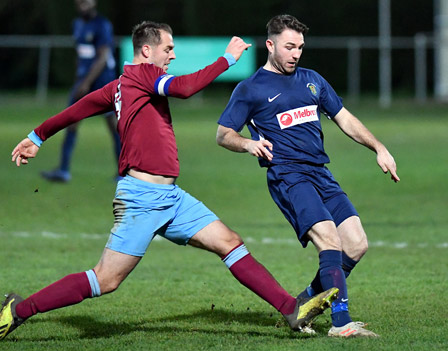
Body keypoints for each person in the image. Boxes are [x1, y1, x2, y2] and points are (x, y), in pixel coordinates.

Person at [2, 21, 339, 341]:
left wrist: (37, 135)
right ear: (147, 51)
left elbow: (77, 109)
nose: (172, 55)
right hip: (142, 198)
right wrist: (227, 59)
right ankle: (17, 310)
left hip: (171, 198)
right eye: (168, 48)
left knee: (229, 242)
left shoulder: (121, 85)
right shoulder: (145, 76)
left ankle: (290, 309)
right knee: (105, 279)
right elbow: (185, 88)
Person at [216, 14, 400, 338]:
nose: (296, 54)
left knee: (356, 245)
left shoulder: (312, 79)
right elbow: (223, 134)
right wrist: (247, 143)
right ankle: (341, 324)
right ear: (270, 45)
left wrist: (378, 147)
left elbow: (344, 118)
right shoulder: (251, 89)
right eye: (289, 47)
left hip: (320, 173)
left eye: (300, 47)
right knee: (328, 238)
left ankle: (304, 303)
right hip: (288, 176)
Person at [41, 0, 121, 182]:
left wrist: (86, 83)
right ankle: (63, 170)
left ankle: (123, 172)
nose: (83, 4)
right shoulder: (77, 24)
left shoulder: (102, 25)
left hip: (102, 81)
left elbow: (102, 58)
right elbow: (81, 54)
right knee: (71, 122)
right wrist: (79, 79)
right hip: (83, 81)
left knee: (113, 125)